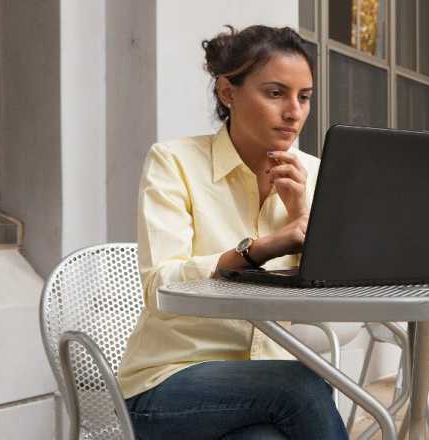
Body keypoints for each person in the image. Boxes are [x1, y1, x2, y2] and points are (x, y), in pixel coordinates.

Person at [117, 25, 347, 439]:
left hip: (263, 390)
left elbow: (332, 303)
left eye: (304, 97)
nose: (294, 112)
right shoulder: (174, 162)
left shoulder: (314, 175)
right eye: (276, 93)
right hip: (166, 386)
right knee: (302, 383)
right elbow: (160, 286)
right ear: (228, 92)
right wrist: (262, 248)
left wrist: (303, 216)